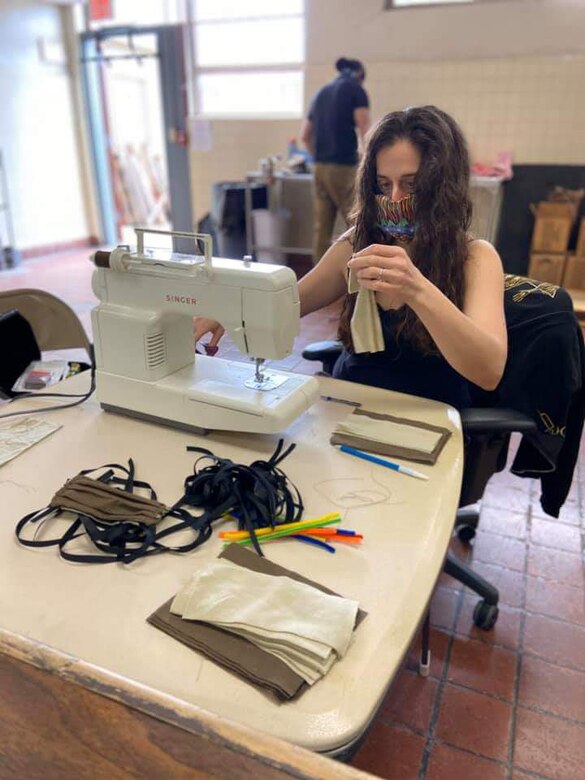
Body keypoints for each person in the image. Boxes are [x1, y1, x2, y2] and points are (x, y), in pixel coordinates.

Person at [194, 105, 507, 410]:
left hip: (427, 418)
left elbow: (488, 372)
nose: (395, 198)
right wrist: (230, 312)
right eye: (384, 184)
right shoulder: (359, 244)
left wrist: (417, 289)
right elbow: (289, 302)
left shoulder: (475, 258)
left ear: (443, 186)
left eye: (412, 184)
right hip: (351, 407)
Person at [300, 57, 371, 265]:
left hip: (320, 167)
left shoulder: (320, 93)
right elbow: (365, 128)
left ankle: (319, 283)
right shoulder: (355, 90)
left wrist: (319, 157)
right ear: (359, 74)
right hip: (344, 167)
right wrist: (369, 161)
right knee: (357, 223)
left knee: (322, 229)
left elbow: (305, 135)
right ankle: (361, 277)